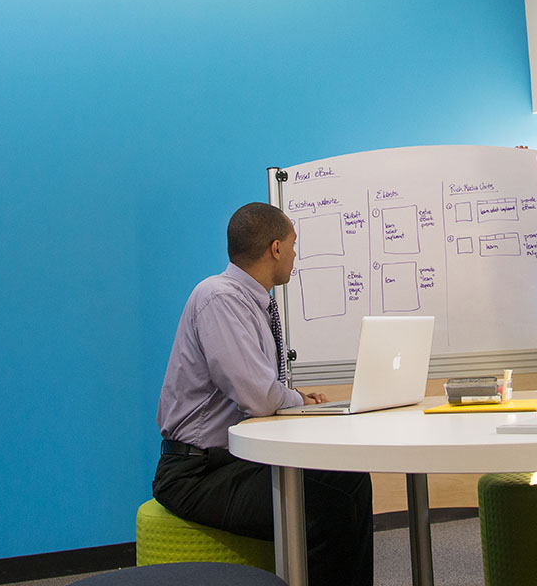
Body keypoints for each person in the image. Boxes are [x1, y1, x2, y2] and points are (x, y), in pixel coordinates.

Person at [152, 202, 373, 586]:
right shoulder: (220, 298)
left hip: (232, 462)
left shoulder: (252, 301)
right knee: (331, 509)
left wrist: (291, 398)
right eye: (292, 245)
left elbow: (259, 390)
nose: (294, 255)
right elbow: (258, 398)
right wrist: (298, 401)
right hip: (196, 474)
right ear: (275, 248)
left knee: (349, 481)